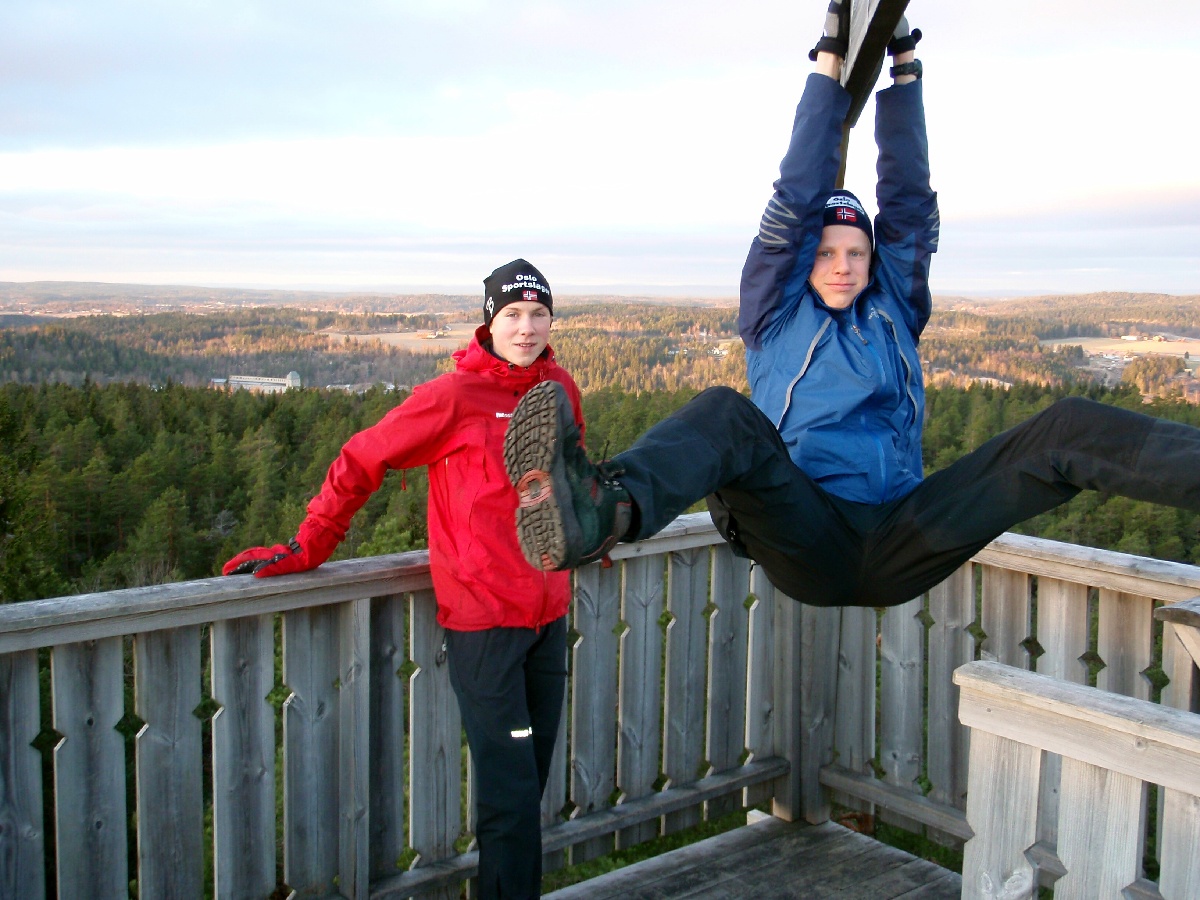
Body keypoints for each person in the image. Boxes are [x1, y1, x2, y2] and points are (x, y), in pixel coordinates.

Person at [502, 6, 1200, 611]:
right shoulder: (774, 315)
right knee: (724, 415)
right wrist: (826, 69)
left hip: (904, 533)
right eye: (827, 251)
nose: (843, 265)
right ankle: (606, 507)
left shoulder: (897, 311)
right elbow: (796, 194)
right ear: (803, 259)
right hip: (808, 530)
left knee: (1067, 427)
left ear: (874, 259)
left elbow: (909, 202)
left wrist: (907, 74)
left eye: (857, 252)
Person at [224, 259, 580, 900]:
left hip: (550, 616)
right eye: (512, 314)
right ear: (489, 322)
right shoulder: (453, 397)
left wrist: (590, 537)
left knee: (529, 782)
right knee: (510, 795)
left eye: (538, 314)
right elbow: (363, 457)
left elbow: (569, 476)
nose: (526, 328)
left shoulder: (559, 389)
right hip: (486, 624)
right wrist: (310, 546)